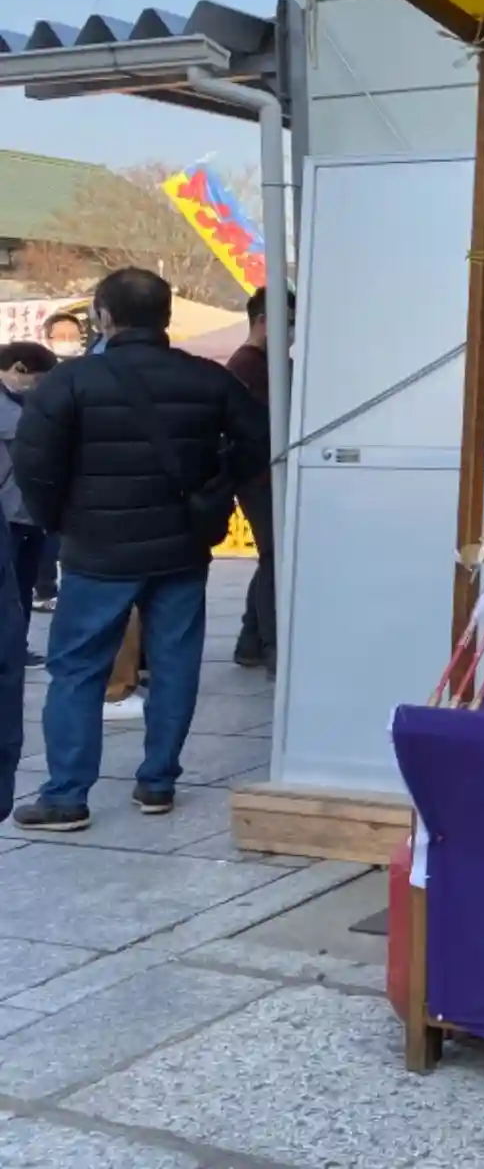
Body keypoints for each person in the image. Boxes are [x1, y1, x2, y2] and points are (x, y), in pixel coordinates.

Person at [9, 269, 269, 831]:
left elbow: (33, 461)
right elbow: (257, 441)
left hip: (96, 550)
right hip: (181, 547)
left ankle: (66, 796)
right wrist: (214, 490)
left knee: (78, 669)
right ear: (166, 316)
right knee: (175, 663)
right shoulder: (209, 379)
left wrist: (60, 519)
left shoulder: (71, 382)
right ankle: (157, 783)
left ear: (103, 315)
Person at [225, 287, 289, 671]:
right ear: (264, 321)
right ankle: (270, 644)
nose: (293, 332)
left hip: (261, 475)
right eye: (289, 322)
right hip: (260, 476)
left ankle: (250, 641)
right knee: (275, 559)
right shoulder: (250, 366)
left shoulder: (260, 363)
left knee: (271, 557)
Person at [0, 342, 56, 666]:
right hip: (8, 510)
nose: (37, 387)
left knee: (23, 584)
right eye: (36, 380)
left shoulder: (25, 400)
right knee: (8, 587)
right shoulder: (11, 407)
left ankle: (16, 647)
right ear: (18, 369)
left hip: (31, 509)